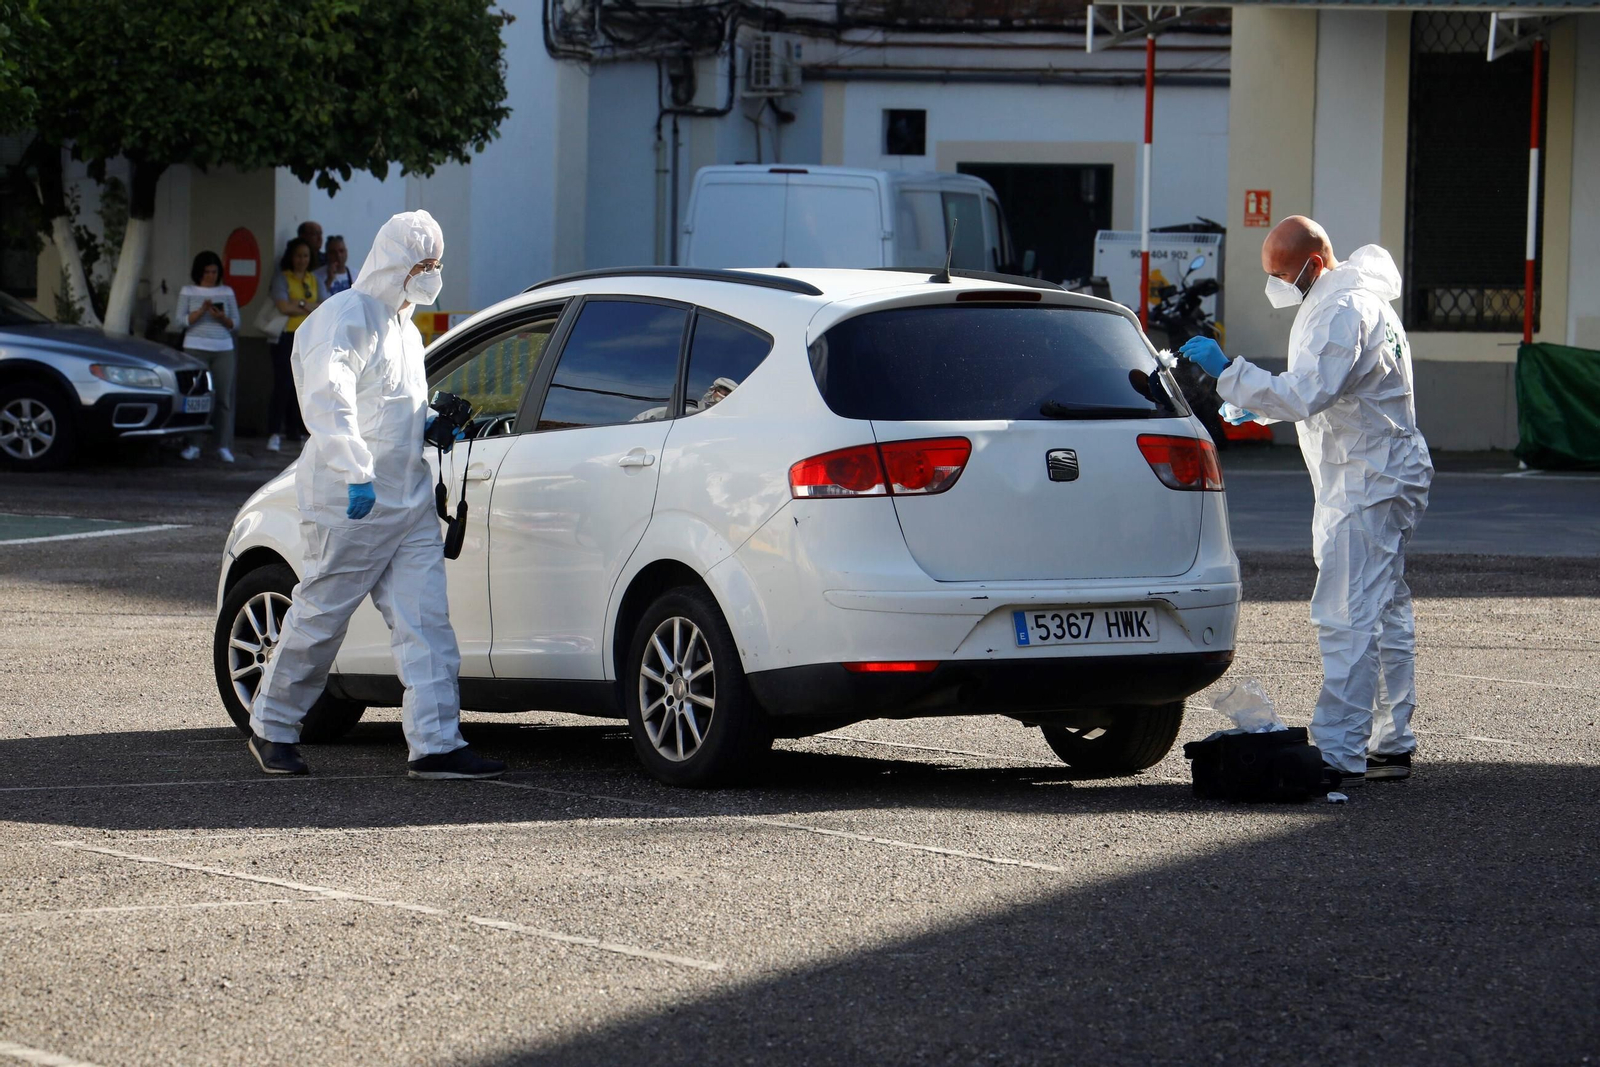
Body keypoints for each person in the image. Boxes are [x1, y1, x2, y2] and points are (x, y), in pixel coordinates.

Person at [246, 210, 504, 781]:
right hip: (350, 497)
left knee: (426, 622)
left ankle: (437, 743)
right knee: (321, 616)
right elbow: (328, 402)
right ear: (393, 262)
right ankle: (272, 726)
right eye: (421, 265)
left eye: (436, 265)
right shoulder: (345, 317)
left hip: (406, 500)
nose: (431, 275)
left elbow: (392, 410)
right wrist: (356, 470)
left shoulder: (407, 330)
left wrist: (434, 422)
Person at [1179, 216, 1432, 788]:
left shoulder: (1343, 310)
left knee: (1345, 613)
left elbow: (1309, 391)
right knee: (1384, 609)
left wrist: (1232, 376)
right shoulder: (1356, 300)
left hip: (1367, 480)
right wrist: (1256, 403)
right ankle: (1390, 741)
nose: (1274, 284)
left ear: (1314, 264)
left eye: (1280, 273)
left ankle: (1342, 752)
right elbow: (1326, 392)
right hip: (1380, 474)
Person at [173, 251, 239, 463]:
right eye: (207, 272)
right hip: (195, 347)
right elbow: (180, 321)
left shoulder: (226, 292)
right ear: (198, 273)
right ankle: (194, 444)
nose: (211, 276)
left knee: (222, 399)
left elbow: (236, 323)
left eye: (214, 272)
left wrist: (222, 318)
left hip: (223, 348)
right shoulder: (189, 291)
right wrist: (201, 311)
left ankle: (222, 445)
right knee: (196, 397)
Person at [266, 238, 319, 452]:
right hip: (285, 336)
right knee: (283, 385)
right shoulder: (282, 278)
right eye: (298, 255)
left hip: (308, 337)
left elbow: (323, 304)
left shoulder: (312, 279)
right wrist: (306, 306)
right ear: (291, 257)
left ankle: (295, 430)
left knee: (302, 386)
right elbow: (283, 306)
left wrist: (298, 303)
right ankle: (273, 432)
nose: (302, 260)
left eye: (305, 256)